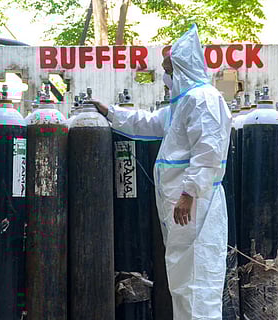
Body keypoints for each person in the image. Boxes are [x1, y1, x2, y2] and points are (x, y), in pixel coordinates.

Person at [89, 24, 232, 319]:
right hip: (181, 206)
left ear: (182, 67)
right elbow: (149, 123)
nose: (166, 74)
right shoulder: (183, 103)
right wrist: (111, 112)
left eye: (169, 67)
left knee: (199, 281)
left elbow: (209, 151)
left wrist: (188, 193)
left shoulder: (203, 99)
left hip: (196, 205)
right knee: (183, 281)